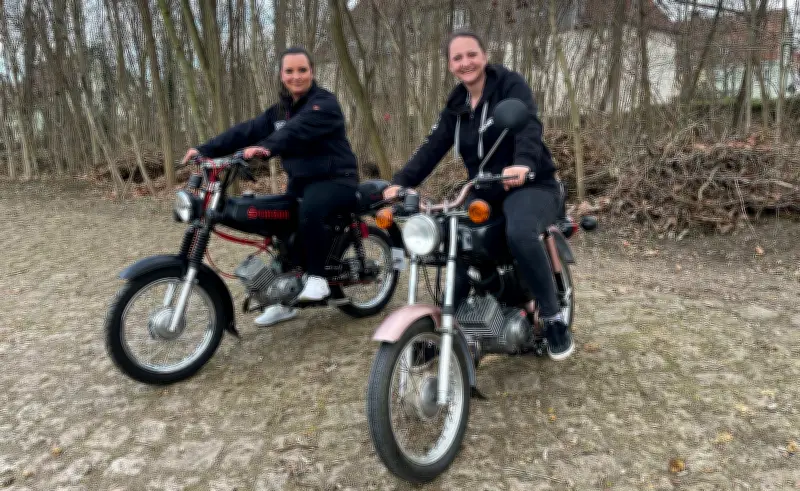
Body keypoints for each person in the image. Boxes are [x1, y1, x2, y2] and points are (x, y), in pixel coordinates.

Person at [383, 31, 574, 360]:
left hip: (531, 184)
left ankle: (553, 317)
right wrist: (399, 183)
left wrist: (523, 163)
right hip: (485, 190)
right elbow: (431, 148)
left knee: (519, 231)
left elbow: (528, 125)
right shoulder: (456, 106)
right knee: (456, 239)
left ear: (484, 56)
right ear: (449, 65)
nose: (465, 62)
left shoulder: (510, 85)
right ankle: (447, 327)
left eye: (471, 54)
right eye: (457, 58)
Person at [181, 46, 360, 327]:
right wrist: (205, 149)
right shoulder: (280, 110)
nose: (296, 76)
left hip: (337, 180)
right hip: (301, 182)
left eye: (302, 70)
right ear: (281, 75)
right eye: (289, 71)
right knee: (280, 225)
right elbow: (247, 130)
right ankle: (283, 298)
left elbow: (294, 132)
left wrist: (265, 147)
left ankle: (318, 278)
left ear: (312, 72)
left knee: (310, 210)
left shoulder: (324, 104)